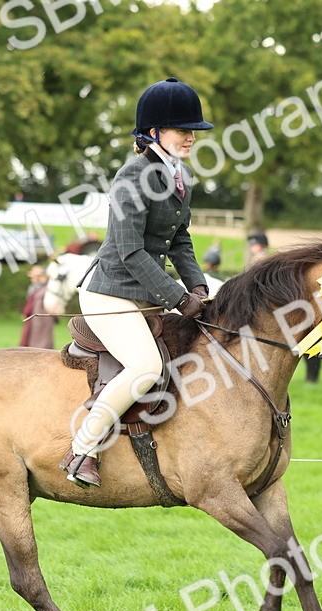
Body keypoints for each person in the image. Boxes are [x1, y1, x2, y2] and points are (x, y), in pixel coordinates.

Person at [62, 77, 212, 488]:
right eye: (183, 131)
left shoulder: (180, 176)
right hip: (109, 292)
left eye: (193, 132)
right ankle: (82, 450)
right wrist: (178, 297)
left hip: (145, 294)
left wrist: (198, 287)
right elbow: (130, 251)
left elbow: (179, 240)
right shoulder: (132, 178)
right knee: (146, 367)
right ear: (152, 133)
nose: (190, 138)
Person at [20, 266, 55, 349]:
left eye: (36, 276)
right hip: (33, 316)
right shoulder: (33, 287)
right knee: (30, 336)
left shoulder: (48, 287)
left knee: (43, 338)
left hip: (43, 316)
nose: (33, 279)